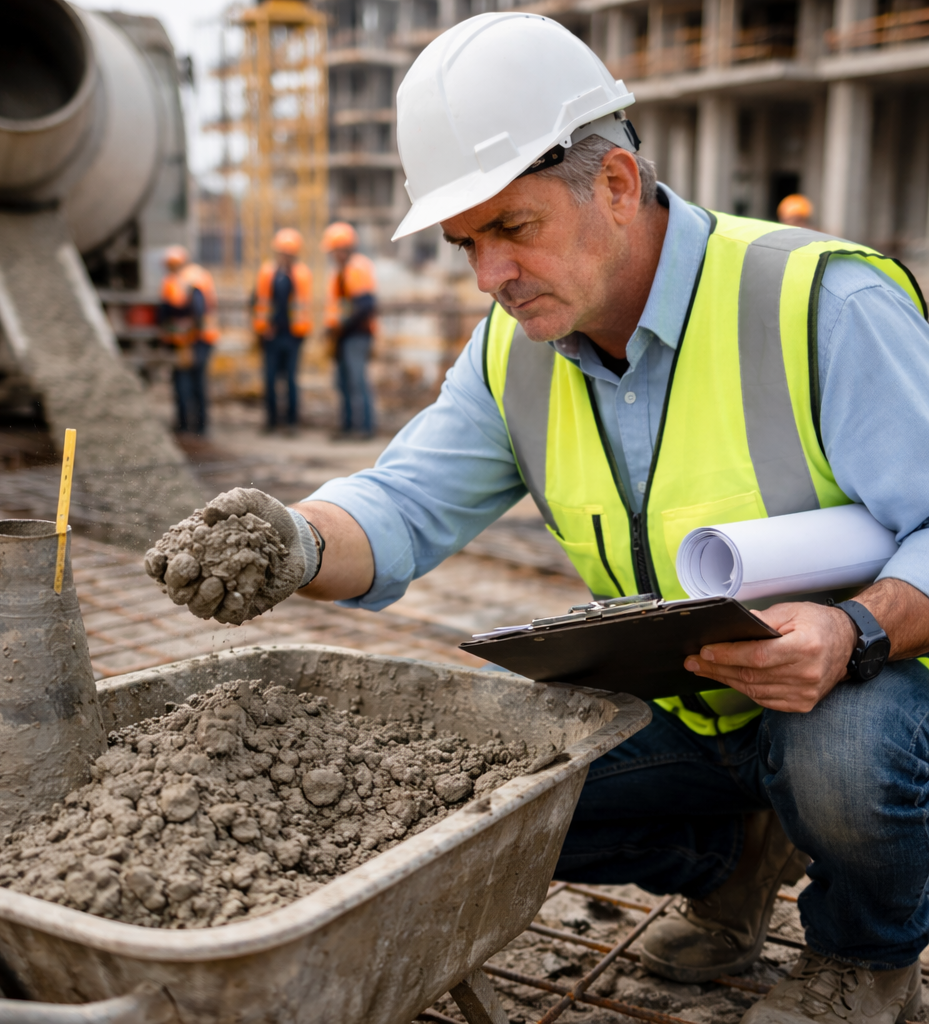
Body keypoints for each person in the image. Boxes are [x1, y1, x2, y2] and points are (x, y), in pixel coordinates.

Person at [184, 15, 929, 1024]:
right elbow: (403, 503)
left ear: (614, 183)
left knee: (844, 756)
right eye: (465, 244)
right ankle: (731, 861)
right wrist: (294, 540)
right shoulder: (514, 351)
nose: (487, 276)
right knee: (474, 796)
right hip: (687, 704)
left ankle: (865, 951)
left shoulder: (820, 302)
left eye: (512, 229)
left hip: (859, 690)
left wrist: (852, 630)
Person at [251, 228, 313, 433]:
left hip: (293, 336)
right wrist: (261, 329)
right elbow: (257, 301)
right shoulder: (267, 273)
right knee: (270, 379)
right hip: (271, 335)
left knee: (291, 380)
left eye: (289, 254)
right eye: (282, 253)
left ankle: (291, 422)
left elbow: (303, 304)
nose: (285, 257)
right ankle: (271, 421)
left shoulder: (301, 274)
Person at [323, 222, 377, 439]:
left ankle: (364, 428)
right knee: (343, 382)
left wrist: (341, 325)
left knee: (357, 381)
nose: (333, 255)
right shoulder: (341, 272)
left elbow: (365, 306)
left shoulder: (357, 268)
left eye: (334, 250)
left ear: (344, 249)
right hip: (343, 335)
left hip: (356, 335)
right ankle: (348, 426)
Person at [158, 245, 219, 435]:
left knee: (189, 382)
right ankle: (192, 425)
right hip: (189, 340)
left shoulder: (187, 281)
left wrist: (189, 340)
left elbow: (195, 313)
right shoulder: (183, 279)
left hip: (194, 340)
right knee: (188, 382)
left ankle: (193, 426)